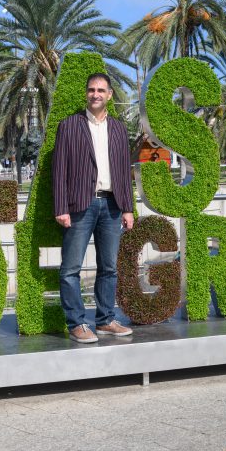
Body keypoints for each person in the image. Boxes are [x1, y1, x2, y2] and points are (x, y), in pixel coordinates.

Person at [52, 73, 135, 343]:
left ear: (110, 94)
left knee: (109, 268)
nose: (95, 94)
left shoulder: (119, 129)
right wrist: (61, 207)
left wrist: (127, 208)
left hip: (111, 205)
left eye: (101, 90)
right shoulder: (69, 126)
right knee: (70, 269)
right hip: (79, 206)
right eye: (91, 90)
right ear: (86, 93)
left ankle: (105, 320)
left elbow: (124, 171)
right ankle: (76, 323)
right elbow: (59, 170)